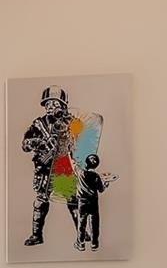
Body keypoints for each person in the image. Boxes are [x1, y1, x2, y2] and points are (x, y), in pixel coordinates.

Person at [20, 85, 77, 246]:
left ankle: (82, 233)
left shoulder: (71, 121)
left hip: (63, 167)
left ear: (63, 106)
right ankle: (36, 235)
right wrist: (40, 142)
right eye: (48, 104)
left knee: (72, 200)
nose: (51, 107)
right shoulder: (38, 124)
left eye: (55, 103)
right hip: (44, 169)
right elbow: (25, 144)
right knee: (40, 201)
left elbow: (81, 140)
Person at [74, 153, 116, 252]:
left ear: (86, 163)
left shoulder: (80, 172)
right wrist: (105, 184)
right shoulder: (96, 176)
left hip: (82, 202)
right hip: (93, 202)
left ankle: (81, 244)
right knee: (94, 224)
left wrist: (70, 153)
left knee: (81, 223)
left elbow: (74, 164)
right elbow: (101, 190)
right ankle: (94, 244)